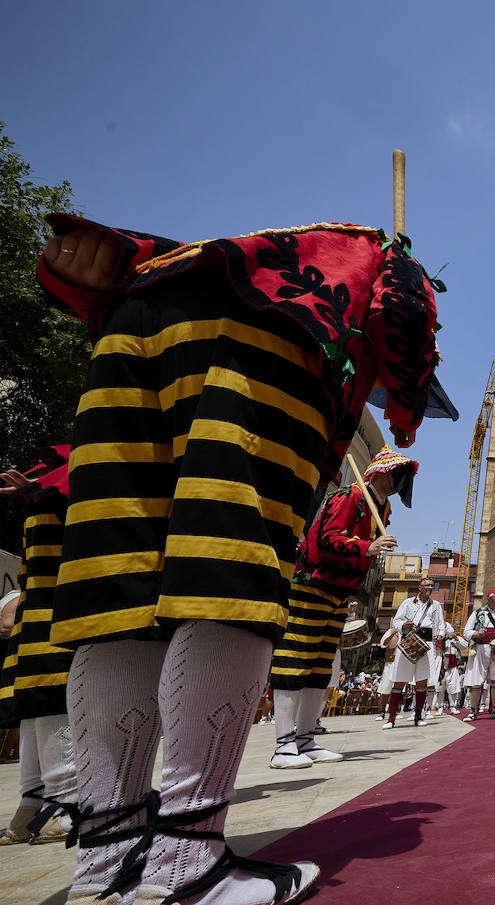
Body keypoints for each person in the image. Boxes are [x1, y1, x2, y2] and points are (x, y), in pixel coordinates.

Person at [37, 214, 440, 905]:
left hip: (135, 315)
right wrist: (404, 403)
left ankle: (109, 858)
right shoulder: (375, 253)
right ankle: (188, 861)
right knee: (232, 573)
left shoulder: (275, 245)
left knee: (121, 590)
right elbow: (404, 310)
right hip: (268, 348)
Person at [268, 447, 416, 766]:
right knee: (297, 657)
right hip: (313, 583)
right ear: (379, 472)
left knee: (321, 665)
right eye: (395, 475)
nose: (397, 482)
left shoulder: (383, 508)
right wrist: (367, 546)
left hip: (341, 591)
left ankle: (306, 739)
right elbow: (325, 538)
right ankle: (283, 745)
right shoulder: (350, 496)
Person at [0, 448, 78, 845]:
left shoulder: (38, 504)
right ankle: (63, 806)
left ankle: (30, 808)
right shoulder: (54, 495)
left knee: (36, 707)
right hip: (55, 615)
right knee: (54, 700)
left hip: (36, 616)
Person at [383, 577, 446, 728]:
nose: (430, 587)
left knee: (422, 681)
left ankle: (418, 716)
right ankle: (391, 718)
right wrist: (404, 624)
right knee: (399, 680)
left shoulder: (436, 605)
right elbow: (396, 622)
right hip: (408, 642)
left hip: (426, 644)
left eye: (432, 585)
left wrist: (440, 634)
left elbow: (441, 625)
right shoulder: (407, 603)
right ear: (420, 588)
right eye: (427, 585)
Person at [462, 590, 495, 721]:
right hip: (481, 649)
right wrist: (476, 633)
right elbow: (466, 632)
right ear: (489, 600)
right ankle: (473, 711)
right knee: (477, 680)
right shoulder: (478, 613)